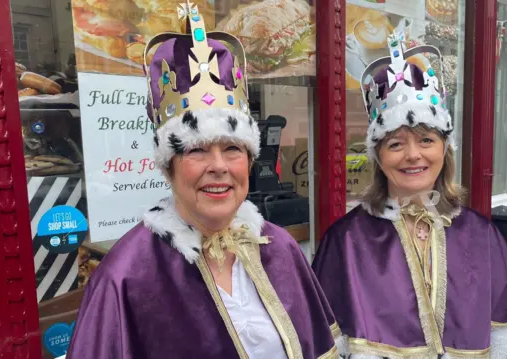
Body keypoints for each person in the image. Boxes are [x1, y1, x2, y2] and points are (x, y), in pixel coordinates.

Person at [66, 2, 339, 358]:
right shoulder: (126, 276)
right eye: (197, 151)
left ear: (250, 161)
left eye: (232, 149)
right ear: (169, 166)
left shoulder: (281, 249)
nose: (218, 166)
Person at [312, 29, 507, 358]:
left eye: (426, 140)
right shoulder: (347, 241)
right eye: (395, 144)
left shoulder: (481, 236)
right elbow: (320, 341)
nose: (413, 155)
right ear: (379, 157)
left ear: (444, 149)